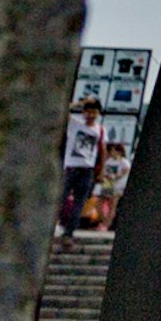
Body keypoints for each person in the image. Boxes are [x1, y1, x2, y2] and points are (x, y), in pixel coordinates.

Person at [57, 98, 105, 236]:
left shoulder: (100, 130)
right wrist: (81, 102)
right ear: (83, 113)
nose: (91, 115)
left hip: (87, 170)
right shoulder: (75, 124)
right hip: (71, 167)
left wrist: (100, 171)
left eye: (94, 112)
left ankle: (69, 231)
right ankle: (58, 223)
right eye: (88, 112)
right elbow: (63, 107)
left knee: (80, 202)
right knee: (61, 197)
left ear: (98, 114)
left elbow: (102, 150)